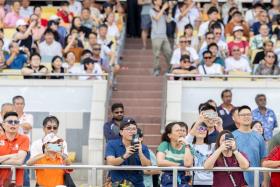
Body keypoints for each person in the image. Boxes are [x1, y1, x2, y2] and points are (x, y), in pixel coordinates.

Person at [105, 118, 151, 186]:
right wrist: (125, 155)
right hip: (118, 184)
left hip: (137, 184)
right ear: (121, 132)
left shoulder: (143, 147)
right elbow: (110, 162)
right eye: (128, 129)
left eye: (134, 129)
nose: (131, 131)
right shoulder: (112, 144)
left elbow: (148, 167)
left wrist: (140, 153)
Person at [232, 105, 267, 187]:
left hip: (256, 180)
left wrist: (265, 180)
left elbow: (263, 159)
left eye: (248, 114)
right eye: (243, 115)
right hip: (237, 180)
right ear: (238, 118)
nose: (246, 117)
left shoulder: (259, 137)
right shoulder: (232, 136)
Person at [157, 122, 190, 186]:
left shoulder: (187, 146)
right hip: (167, 179)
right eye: (177, 130)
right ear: (169, 135)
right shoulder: (165, 145)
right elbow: (160, 162)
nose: (180, 132)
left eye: (181, 130)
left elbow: (188, 163)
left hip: (183, 179)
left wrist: (186, 145)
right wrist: (179, 165)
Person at [0, 112, 29, 186]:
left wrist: (1, 160)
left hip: (16, 183)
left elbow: (19, 161)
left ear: (19, 125)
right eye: (10, 122)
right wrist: (11, 156)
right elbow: (17, 159)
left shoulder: (24, 138)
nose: (13, 124)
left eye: (16, 122)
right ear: (3, 124)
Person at [150, 0, 172, 76]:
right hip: (156, 36)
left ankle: (170, 68)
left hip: (164, 36)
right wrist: (163, 8)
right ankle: (156, 69)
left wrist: (170, 10)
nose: (161, 1)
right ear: (154, 2)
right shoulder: (151, 10)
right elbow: (156, 18)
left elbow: (168, 20)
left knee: (168, 52)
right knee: (156, 54)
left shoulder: (163, 11)